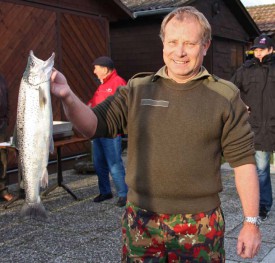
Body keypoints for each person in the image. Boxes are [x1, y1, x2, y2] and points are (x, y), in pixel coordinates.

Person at [50, 6, 261, 262]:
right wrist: (67, 96)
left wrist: (250, 223)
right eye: (172, 42)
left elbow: (244, 162)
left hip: (199, 223)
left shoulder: (225, 96)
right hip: (141, 220)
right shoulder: (138, 90)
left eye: (189, 43)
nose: (179, 52)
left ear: (205, 46)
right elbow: (92, 125)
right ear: (163, 44)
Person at [231, 34, 274, 221]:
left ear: (271, 50)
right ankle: (263, 205)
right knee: (262, 169)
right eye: (256, 49)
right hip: (258, 126)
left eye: (262, 49)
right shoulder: (245, 69)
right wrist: (242, 104)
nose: (258, 53)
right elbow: (231, 90)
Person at [87, 56, 128, 207]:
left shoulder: (118, 82)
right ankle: (105, 191)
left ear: (105, 69)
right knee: (99, 163)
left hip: (111, 132)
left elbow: (125, 105)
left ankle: (124, 194)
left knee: (114, 164)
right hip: (98, 131)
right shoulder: (101, 85)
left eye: (96, 68)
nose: (94, 71)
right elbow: (94, 103)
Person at [0, 74, 13, 202]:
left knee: (3, 157)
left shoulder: (2, 78)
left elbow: (7, 98)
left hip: (2, 124)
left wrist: (7, 117)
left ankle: (3, 190)